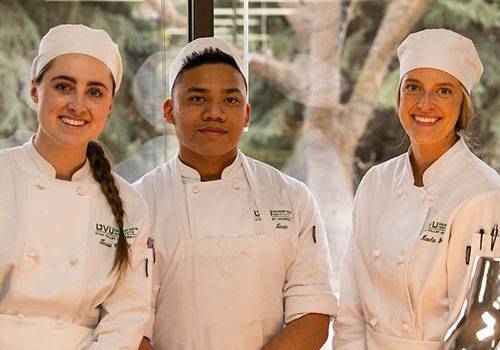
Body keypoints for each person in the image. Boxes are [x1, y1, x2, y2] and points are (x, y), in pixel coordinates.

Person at [134, 37, 337, 350]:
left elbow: (313, 313)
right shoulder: (137, 204)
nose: (214, 112)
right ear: (169, 110)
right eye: (197, 99)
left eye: (230, 100)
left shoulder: (291, 198)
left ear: (246, 114)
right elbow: (127, 324)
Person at [334, 28, 500, 349]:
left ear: (462, 104)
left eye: (443, 91)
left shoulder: (484, 195)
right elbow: (351, 308)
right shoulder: (375, 184)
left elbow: (479, 333)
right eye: (413, 87)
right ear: (399, 97)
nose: (425, 104)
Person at [0, 24, 152, 349]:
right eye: (63, 86)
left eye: (95, 92)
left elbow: (126, 316)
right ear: (34, 91)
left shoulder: (130, 205)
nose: (77, 105)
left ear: (110, 105)